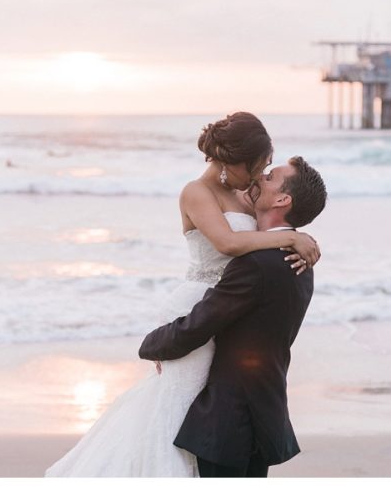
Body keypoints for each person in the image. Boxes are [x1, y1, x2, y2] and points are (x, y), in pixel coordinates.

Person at [44, 112, 321, 477]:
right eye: (259, 167)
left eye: (267, 172)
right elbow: (228, 242)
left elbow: (267, 233)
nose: (259, 176)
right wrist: (289, 236)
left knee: (211, 398)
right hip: (198, 302)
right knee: (181, 400)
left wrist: (296, 235)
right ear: (234, 161)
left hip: (226, 302)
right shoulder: (197, 192)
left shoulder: (246, 199)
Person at [139, 155, 328, 477]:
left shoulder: (255, 264)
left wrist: (150, 345)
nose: (260, 177)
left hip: (230, 420)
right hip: (265, 411)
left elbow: (199, 325)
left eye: (270, 177)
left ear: (282, 200)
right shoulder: (300, 261)